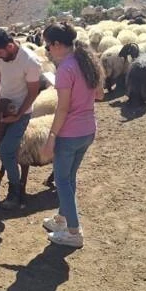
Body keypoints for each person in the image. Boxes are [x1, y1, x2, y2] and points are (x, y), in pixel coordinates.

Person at [39, 22, 104, 248]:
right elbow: (100, 94)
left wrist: (51, 137)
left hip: (70, 133)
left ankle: (74, 231)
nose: (47, 50)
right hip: (87, 129)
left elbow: (63, 108)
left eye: (48, 46)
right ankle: (62, 219)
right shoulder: (85, 62)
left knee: (62, 180)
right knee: (69, 178)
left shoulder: (66, 68)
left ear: (57, 44)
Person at [0, 28, 41, 209]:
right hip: (1, 109)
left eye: (0, 52)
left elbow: (33, 92)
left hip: (21, 113)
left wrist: (18, 115)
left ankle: (15, 191)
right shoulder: (0, 57)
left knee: (6, 151)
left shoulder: (30, 62)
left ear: (10, 45)